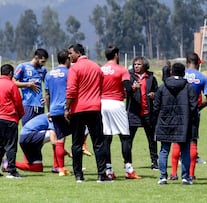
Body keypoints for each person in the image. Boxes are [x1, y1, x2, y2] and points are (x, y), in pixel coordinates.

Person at [65, 43, 106, 183]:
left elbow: (71, 91)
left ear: (78, 53)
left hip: (78, 109)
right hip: (94, 108)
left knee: (76, 143)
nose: (69, 56)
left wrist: (66, 108)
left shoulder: (74, 68)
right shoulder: (96, 66)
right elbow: (102, 85)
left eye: (71, 53)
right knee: (98, 143)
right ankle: (102, 174)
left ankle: (78, 175)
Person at [100, 45, 141, 180]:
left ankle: (109, 170)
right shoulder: (122, 70)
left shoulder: (101, 70)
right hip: (116, 104)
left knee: (106, 138)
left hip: (103, 104)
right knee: (125, 137)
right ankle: (129, 169)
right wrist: (134, 88)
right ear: (116, 55)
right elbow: (128, 89)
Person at [170, 52, 207, 181]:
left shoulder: (179, 76)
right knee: (192, 142)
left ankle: (173, 173)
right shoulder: (203, 78)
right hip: (193, 114)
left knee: (177, 141)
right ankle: (191, 174)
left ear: (187, 62)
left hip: (178, 113)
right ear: (198, 63)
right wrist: (199, 107)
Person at [154, 62, 198, 185]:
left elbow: (156, 106)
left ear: (171, 72)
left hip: (165, 123)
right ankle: (185, 177)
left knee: (164, 150)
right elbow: (194, 107)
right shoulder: (188, 87)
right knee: (185, 150)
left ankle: (162, 177)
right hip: (184, 123)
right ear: (184, 73)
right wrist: (192, 121)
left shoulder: (162, 87)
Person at [0, 64, 25, 178]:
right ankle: (11, 171)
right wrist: (20, 116)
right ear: (10, 73)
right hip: (9, 118)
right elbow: (18, 102)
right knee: (10, 145)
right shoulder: (11, 85)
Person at [126, 56, 159, 170]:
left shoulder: (151, 78)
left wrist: (154, 94)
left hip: (147, 113)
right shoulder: (129, 77)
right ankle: (128, 163)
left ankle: (154, 162)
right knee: (129, 140)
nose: (136, 66)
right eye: (135, 64)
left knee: (152, 139)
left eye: (139, 64)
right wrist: (132, 89)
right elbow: (125, 92)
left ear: (144, 65)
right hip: (133, 113)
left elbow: (157, 91)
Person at [44, 50, 72, 176]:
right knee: (73, 137)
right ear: (67, 59)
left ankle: (60, 168)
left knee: (60, 137)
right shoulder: (69, 73)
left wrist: (49, 110)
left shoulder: (49, 74)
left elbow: (47, 95)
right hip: (66, 109)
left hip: (54, 110)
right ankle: (68, 166)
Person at [13, 48, 48, 126]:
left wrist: (46, 97)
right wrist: (27, 84)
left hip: (40, 105)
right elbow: (13, 82)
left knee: (40, 130)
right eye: (42, 61)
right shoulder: (23, 67)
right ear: (36, 57)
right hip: (28, 105)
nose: (43, 64)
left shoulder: (43, 70)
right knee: (27, 130)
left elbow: (47, 84)